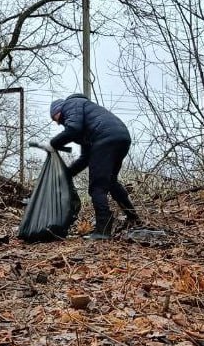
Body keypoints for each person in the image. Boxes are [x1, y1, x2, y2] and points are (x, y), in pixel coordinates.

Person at [42, 94, 139, 239]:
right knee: (111, 182)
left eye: (54, 118)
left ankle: (103, 230)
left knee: (97, 187)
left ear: (58, 111)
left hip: (106, 139)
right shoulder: (86, 123)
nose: (57, 123)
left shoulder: (71, 105)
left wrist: (53, 143)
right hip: (121, 138)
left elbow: (73, 128)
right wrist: (68, 174)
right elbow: (86, 157)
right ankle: (133, 217)